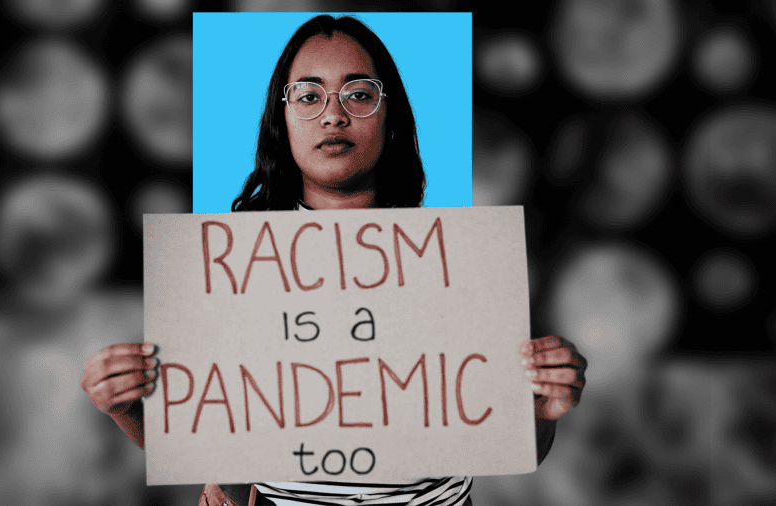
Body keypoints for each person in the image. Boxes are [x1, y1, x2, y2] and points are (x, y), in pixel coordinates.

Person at [81, 15, 587, 506]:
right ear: (282, 119)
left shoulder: (458, 261)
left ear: (391, 117)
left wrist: (542, 412)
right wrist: (126, 408)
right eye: (308, 95)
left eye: (359, 94)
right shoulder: (229, 268)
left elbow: (519, 445)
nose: (333, 114)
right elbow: (197, 437)